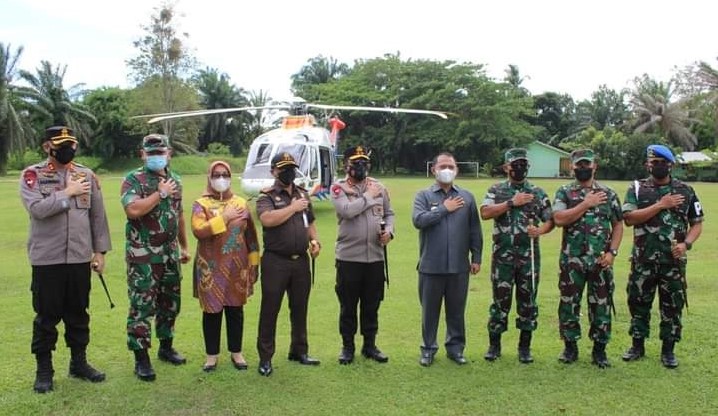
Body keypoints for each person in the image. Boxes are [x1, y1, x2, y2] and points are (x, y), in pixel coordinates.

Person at [20, 126, 111, 393]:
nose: (67, 148)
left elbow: (98, 216)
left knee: (78, 314)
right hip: (47, 259)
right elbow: (37, 209)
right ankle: (44, 371)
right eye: (61, 144)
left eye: (71, 143)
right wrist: (67, 193)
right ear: (48, 146)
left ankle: (79, 363)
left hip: (79, 258)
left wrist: (99, 252)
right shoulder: (33, 175)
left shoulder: (86, 175)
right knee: (46, 317)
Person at [621, 145, 703, 369]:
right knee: (638, 303)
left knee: (672, 306)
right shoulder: (637, 188)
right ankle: (637, 346)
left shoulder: (685, 191)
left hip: (673, 262)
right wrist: (660, 205)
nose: (658, 165)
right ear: (647, 164)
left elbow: (697, 223)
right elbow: (629, 218)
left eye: (662, 162)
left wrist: (686, 244)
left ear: (670, 165)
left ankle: (668, 350)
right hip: (643, 260)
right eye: (653, 162)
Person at [121, 134, 191, 382]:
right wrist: (159, 194)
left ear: (169, 153)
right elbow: (132, 210)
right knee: (142, 306)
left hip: (169, 255)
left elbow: (179, 214)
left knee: (169, 303)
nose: (156, 157)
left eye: (160, 152)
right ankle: (141, 359)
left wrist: (184, 246)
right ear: (142, 154)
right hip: (143, 257)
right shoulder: (134, 180)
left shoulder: (176, 180)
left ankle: (166, 347)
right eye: (151, 153)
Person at [479, 148, 554, 364]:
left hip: (528, 257)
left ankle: (524, 347)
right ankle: (494, 345)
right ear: (506, 167)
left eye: (523, 164)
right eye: (515, 164)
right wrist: (512, 202)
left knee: (528, 301)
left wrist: (539, 231)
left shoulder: (537, 192)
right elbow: (485, 212)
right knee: (500, 301)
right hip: (502, 257)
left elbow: (550, 219)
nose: (520, 168)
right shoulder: (497, 190)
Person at [552, 149, 623, 368]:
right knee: (568, 305)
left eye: (587, 165)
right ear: (572, 167)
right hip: (572, 261)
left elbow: (618, 224)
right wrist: (585, 204)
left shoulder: (608, 194)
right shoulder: (565, 193)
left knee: (601, 305)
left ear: (595, 166)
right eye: (579, 165)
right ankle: (570, 347)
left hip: (601, 261)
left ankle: (599, 350)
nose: (583, 168)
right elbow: (558, 218)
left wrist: (612, 253)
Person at [412, 152, 482, 367]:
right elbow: (419, 221)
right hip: (431, 266)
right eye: (442, 166)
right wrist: (444, 209)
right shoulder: (423, 196)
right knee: (429, 312)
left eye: (450, 166)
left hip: (458, 267)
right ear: (433, 169)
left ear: (456, 170)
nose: (447, 170)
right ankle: (428, 349)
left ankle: (455, 348)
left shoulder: (467, 197)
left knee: (456, 311)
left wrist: (476, 257)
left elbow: (474, 230)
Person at [255, 152, 322, 376]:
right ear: (274, 171)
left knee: (300, 308)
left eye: (291, 168)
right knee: (270, 309)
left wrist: (315, 241)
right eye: (284, 168)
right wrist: (292, 208)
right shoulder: (267, 196)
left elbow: (310, 221)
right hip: (276, 261)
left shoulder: (302, 194)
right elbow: (267, 219)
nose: (289, 172)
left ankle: (299, 350)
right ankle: (265, 358)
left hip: (300, 261)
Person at [190, 161, 260, 372]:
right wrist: (225, 217)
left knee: (235, 310)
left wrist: (254, 264)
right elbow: (199, 230)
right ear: (210, 177)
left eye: (225, 174)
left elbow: (252, 238)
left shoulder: (241, 203)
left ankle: (236, 352)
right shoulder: (200, 204)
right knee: (211, 311)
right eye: (217, 174)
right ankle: (211, 356)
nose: (221, 178)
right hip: (211, 268)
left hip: (237, 268)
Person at [330, 146, 394, 365]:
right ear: (346, 165)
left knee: (372, 304)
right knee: (348, 305)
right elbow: (347, 211)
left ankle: (370, 345)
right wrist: (368, 196)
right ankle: (347, 347)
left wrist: (389, 232)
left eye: (363, 162)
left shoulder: (379, 187)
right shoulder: (338, 188)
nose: (360, 166)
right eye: (355, 162)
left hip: (375, 258)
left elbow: (389, 214)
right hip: (349, 258)